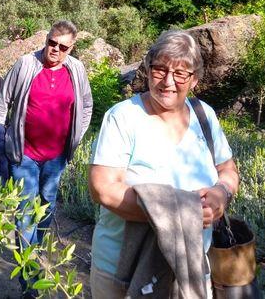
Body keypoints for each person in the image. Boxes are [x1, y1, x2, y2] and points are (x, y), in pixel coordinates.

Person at [88, 30, 240, 298]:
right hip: (121, 273)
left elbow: (227, 170)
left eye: (181, 73)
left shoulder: (205, 116)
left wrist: (221, 194)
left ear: (194, 79)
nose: (168, 81)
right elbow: (103, 189)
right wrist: (182, 214)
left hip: (190, 268)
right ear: (147, 69)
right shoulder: (123, 117)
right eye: (160, 69)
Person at [0, 20, 93, 298]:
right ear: (46, 39)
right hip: (23, 155)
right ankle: (30, 279)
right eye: (52, 43)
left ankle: (33, 253)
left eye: (63, 46)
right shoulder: (26, 64)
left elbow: (85, 105)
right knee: (25, 214)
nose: (56, 50)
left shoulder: (76, 70)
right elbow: (3, 102)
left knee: (46, 208)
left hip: (57, 157)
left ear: (71, 48)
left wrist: (76, 137)